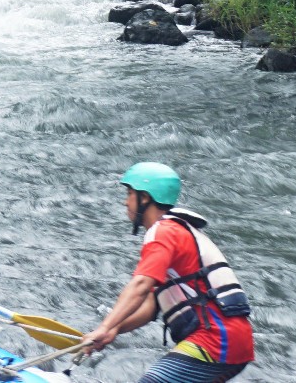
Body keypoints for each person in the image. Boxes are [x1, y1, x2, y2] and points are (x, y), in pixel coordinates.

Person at [78, 162, 253, 383]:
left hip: (216, 340)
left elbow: (140, 285)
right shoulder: (174, 231)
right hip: (234, 343)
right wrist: (115, 329)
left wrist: (104, 327)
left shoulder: (163, 232)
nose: (125, 201)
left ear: (145, 198)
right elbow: (152, 305)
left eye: (130, 193)